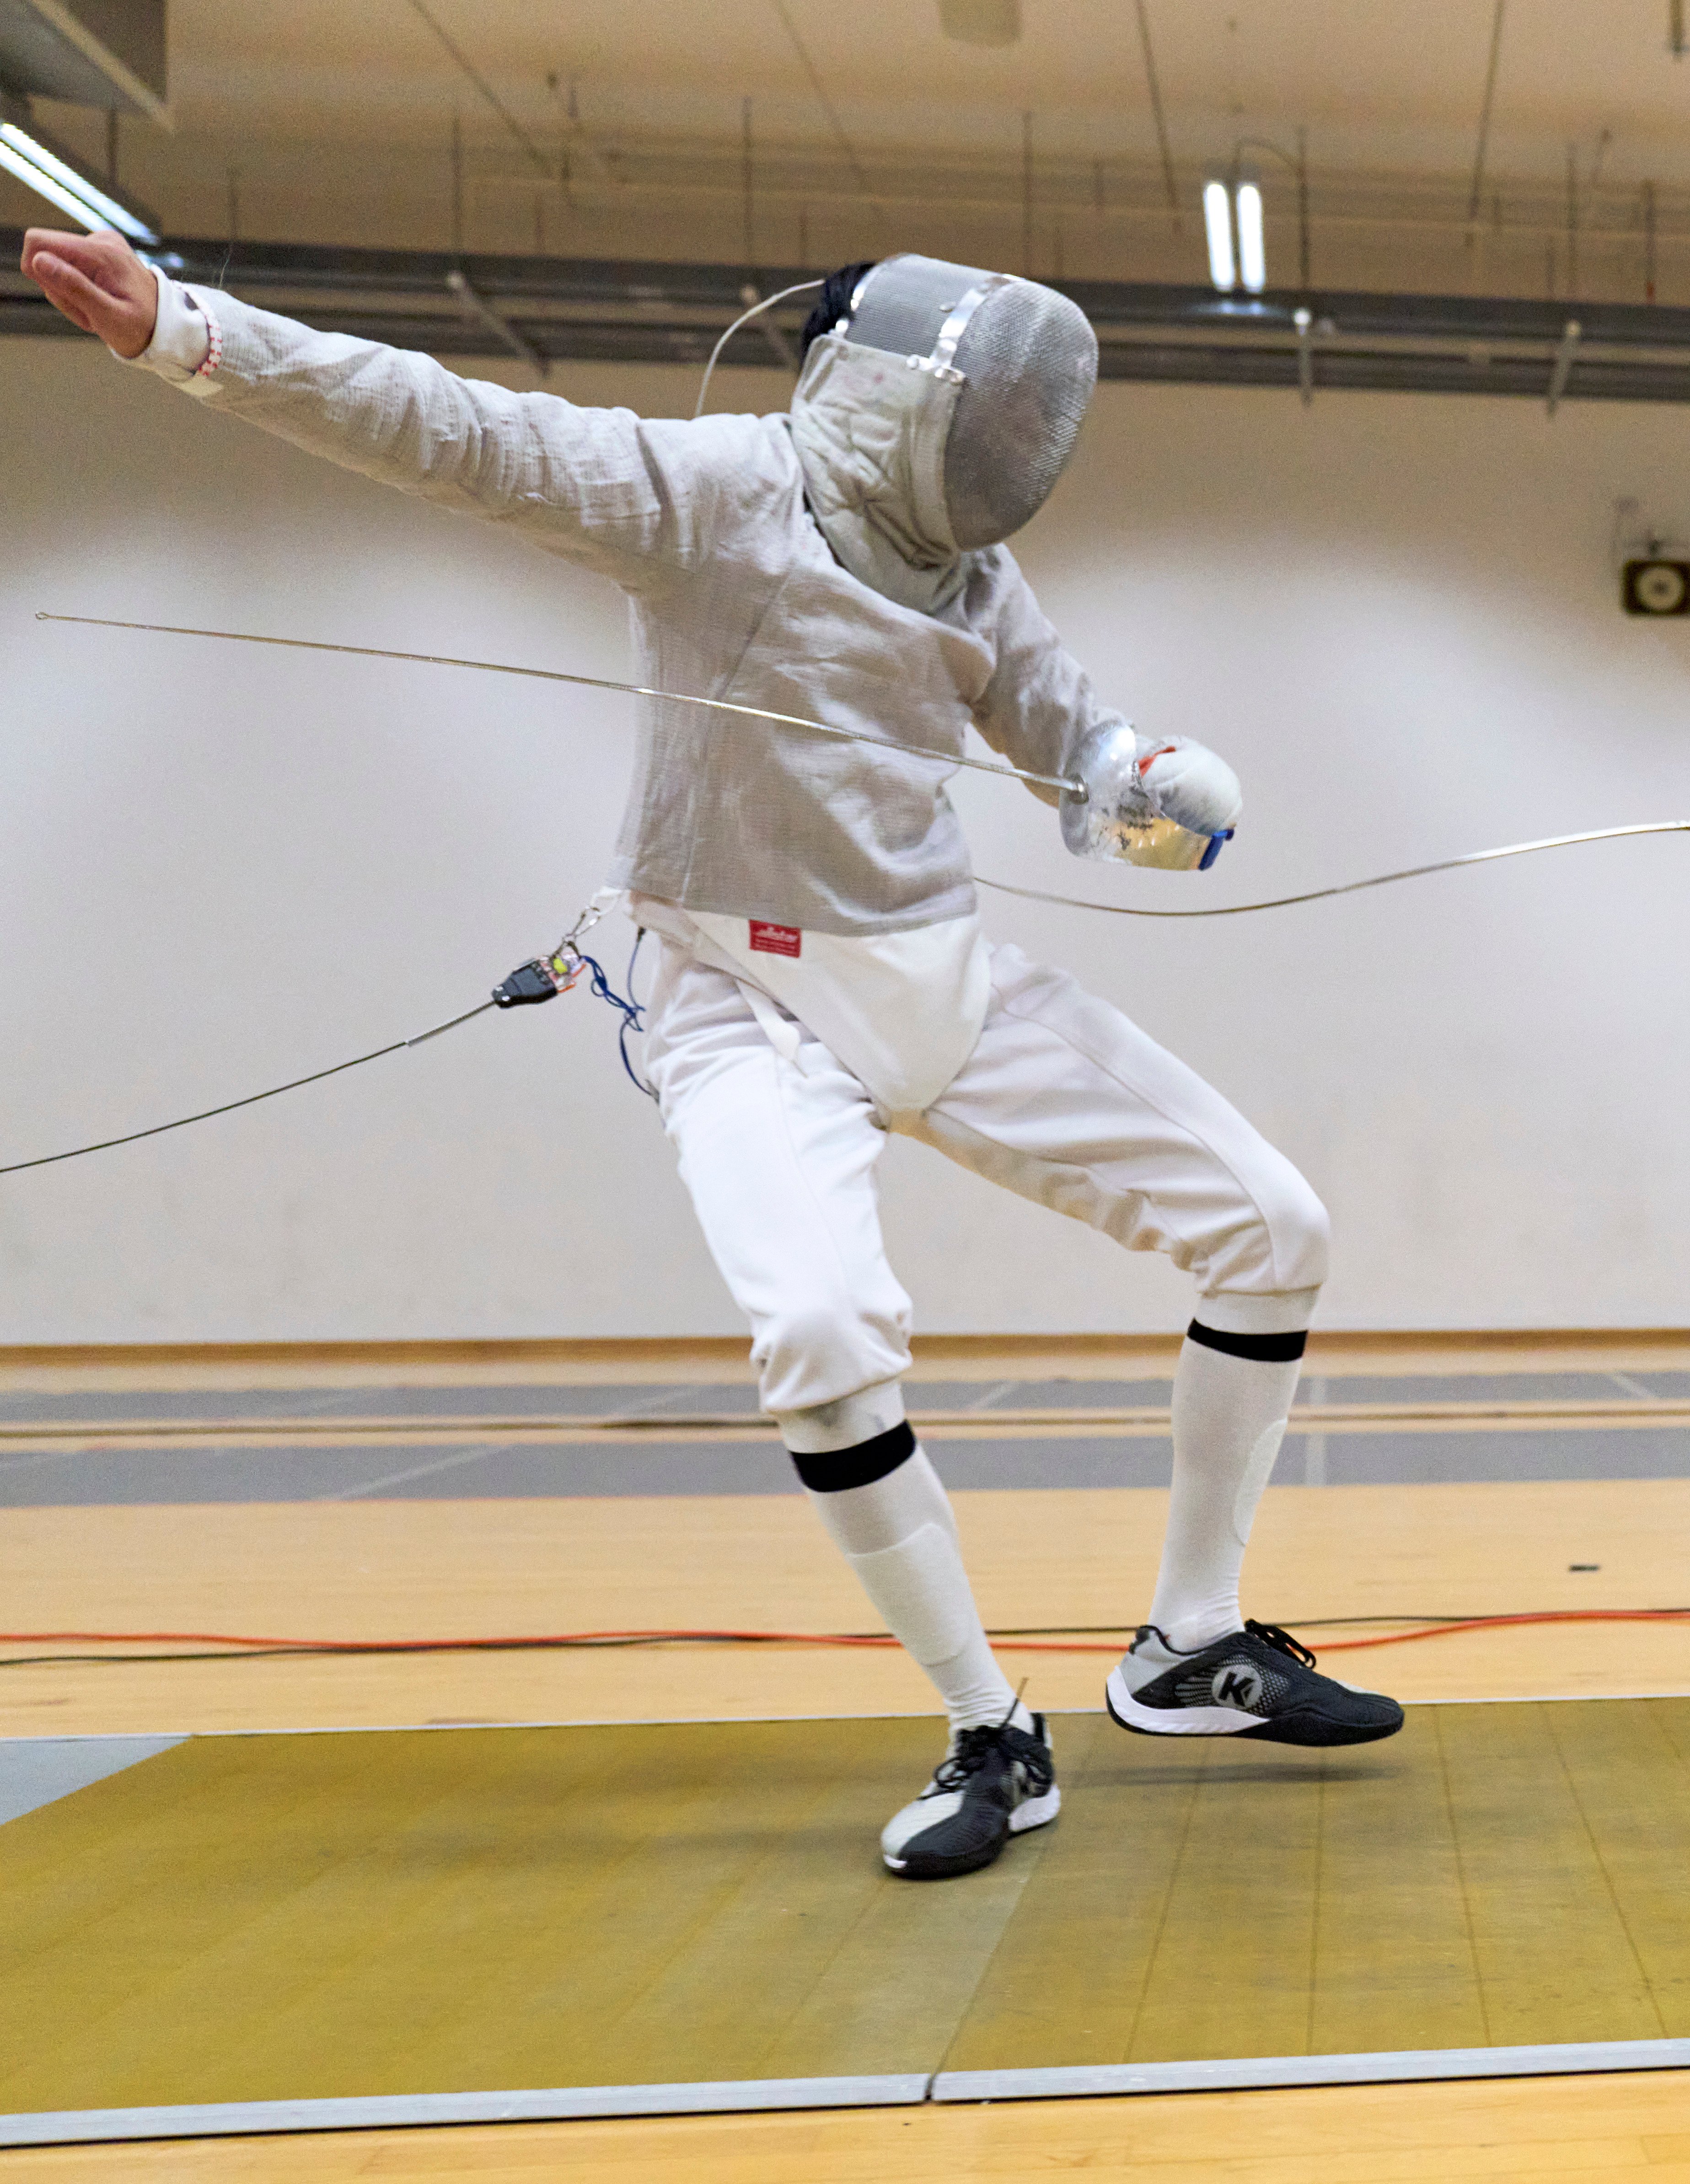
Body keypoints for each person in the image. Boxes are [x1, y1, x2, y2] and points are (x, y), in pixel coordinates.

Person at [18, 226, 1402, 1880]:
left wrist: (1143, 779)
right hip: (740, 1000)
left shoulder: (970, 573)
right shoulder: (709, 497)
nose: (1012, 457)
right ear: (891, 395)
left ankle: (1189, 1650)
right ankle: (990, 1730)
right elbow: (450, 425)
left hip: (941, 981)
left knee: (1275, 1226)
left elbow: (1068, 746)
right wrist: (188, 330)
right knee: (820, 1331)